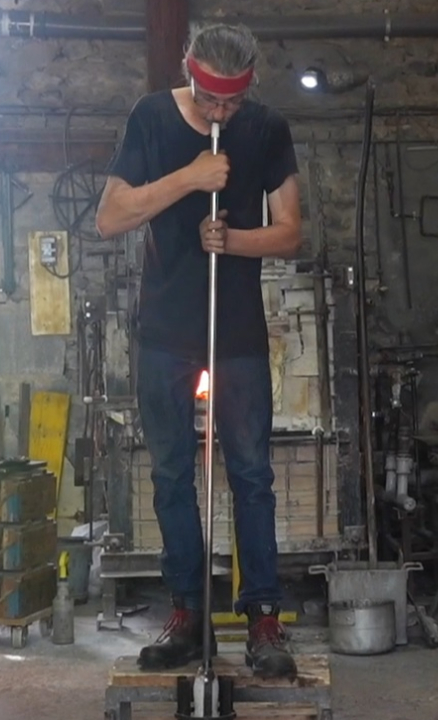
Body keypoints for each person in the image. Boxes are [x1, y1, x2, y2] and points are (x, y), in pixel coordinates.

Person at [94, 23, 302, 680]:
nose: (220, 115)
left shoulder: (267, 129)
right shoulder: (152, 118)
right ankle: (187, 611)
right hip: (164, 330)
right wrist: (189, 177)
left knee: (251, 477)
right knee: (169, 476)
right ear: (190, 74)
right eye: (211, 101)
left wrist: (233, 241)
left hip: (235, 330)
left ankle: (263, 616)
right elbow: (112, 215)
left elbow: (291, 232)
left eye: (231, 104)